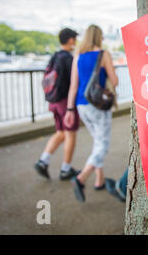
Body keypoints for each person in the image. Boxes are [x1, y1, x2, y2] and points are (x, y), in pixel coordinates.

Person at [64, 24, 118, 202]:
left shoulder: (78, 56)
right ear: (100, 37)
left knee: (97, 141)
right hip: (98, 105)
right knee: (103, 145)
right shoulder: (103, 55)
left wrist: (70, 110)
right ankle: (81, 178)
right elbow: (115, 81)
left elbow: (73, 86)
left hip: (80, 105)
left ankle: (99, 180)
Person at [34, 28, 80, 180]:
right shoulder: (68, 58)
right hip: (65, 103)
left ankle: (43, 161)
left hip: (53, 101)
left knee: (60, 132)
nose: (75, 41)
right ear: (70, 40)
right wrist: (71, 108)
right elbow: (74, 83)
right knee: (70, 134)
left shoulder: (54, 56)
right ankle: (65, 169)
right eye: (74, 38)